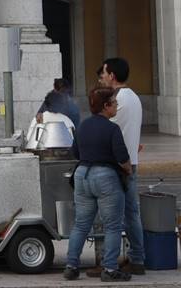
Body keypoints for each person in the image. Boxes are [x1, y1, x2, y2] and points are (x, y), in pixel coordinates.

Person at [63, 87, 130, 282]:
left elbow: (75, 152)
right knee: (112, 226)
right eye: (115, 103)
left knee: (81, 225)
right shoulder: (112, 128)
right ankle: (109, 269)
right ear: (106, 106)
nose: (117, 106)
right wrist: (128, 170)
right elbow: (122, 157)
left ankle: (71, 266)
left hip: (82, 174)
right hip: (105, 176)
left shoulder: (82, 126)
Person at [97, 57, 149, 276]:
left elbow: (106, 131)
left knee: (116, 216)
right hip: (129, 162)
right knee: (130, 213)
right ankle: (137, 259)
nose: (103, 77)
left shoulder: (121, 101)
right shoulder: (133, 97)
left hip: (120, 166)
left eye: (105, 73)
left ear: (113, 76)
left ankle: (116, 260)